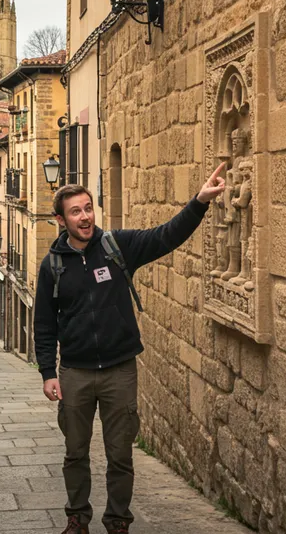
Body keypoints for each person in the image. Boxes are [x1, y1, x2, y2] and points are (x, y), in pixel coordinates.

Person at [34, 166, 226, 534]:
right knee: (76, 452)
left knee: (120, 453)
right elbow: (44, 324)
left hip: (120, 370)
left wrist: (199, 202)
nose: (85, 216)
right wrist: (47, 373)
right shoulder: (53, 266)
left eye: (88, 208)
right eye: (75, 211)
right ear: (61, 219)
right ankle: (77, 516)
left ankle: (118, 520)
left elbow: (166, 236)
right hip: (74, 372)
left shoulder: (116, 246)